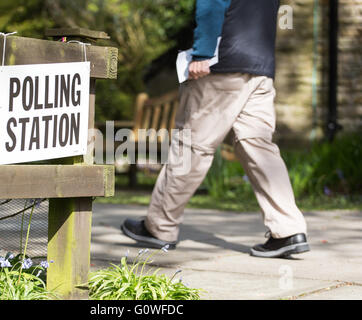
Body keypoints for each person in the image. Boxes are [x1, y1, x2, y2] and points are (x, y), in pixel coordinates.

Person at [121, 0, 310, 258]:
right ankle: (288, 230)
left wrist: (203, 52)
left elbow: (211, 4)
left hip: (222, 63)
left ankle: (159, 227)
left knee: (192, 146)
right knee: (258, 147)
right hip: (260, 69)